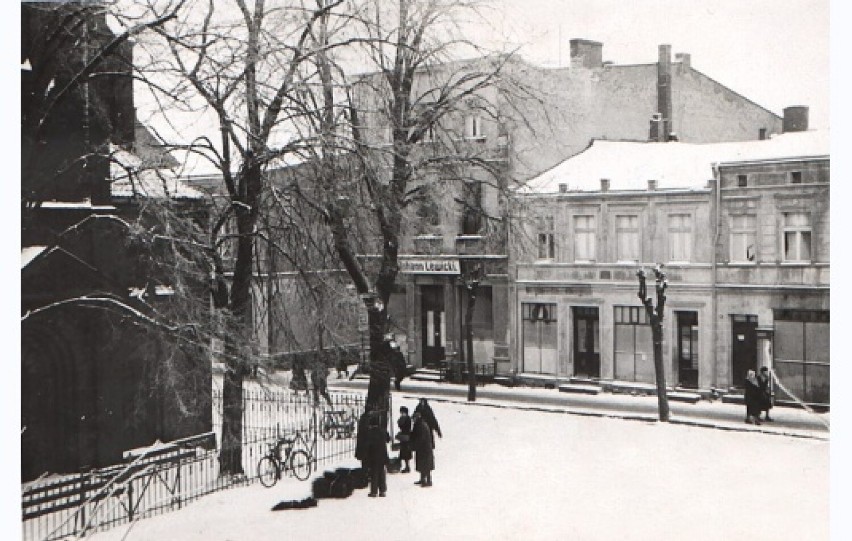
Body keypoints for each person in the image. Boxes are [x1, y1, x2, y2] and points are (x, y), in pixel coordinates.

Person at [363, 412, 390, 497]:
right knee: (382, 473)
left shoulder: (370, 432)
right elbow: (388, 439)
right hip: (382, 455)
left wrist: (366, 456)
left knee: (374, 473)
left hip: (373, 456)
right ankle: (382, 491)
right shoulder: (382, 430)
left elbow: (367, 445)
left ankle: (374, 491)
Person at [411, 409, 434, 487]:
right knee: (423, 464)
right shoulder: (420, 424)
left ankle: (428, 481)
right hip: (423, 448)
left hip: (424, 448)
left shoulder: (421, 425)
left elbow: (420, 438)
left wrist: (415, 445)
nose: (413, 421)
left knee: (425, 465)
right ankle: (422, 479)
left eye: (413, 419)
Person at [396, 406, 412, 473]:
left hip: (406, 438)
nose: (401, 414)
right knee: (403, 453)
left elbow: (403, 426)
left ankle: (406, 467)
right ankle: (403, 466)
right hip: (405, 437)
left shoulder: (407, 419)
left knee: (405, 453)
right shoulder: (406, 418)